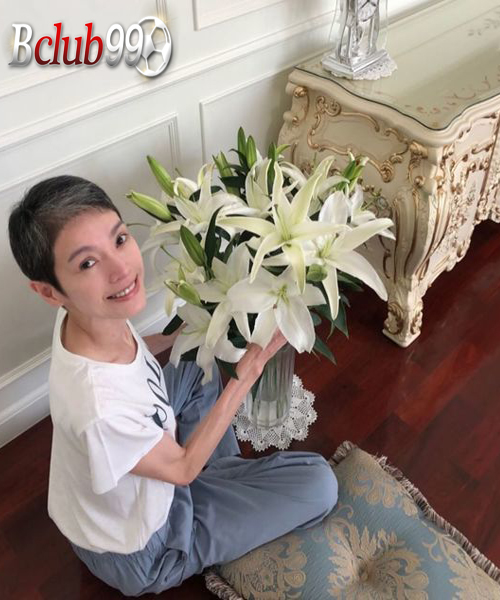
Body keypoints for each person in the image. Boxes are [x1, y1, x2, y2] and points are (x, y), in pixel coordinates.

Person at [8, 175, 338, 596]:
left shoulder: (83, 314)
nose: (121, 269)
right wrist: (250, 369)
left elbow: (134, 354)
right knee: (319, 483)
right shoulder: (98, 409)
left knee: (199, 360)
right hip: (147, 549)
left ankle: (218, 481)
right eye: (88, 263)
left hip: (125, 487)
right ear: (49, 291)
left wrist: (184, 329)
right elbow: (182, 471)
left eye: (120, 239)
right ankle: (216, 494)